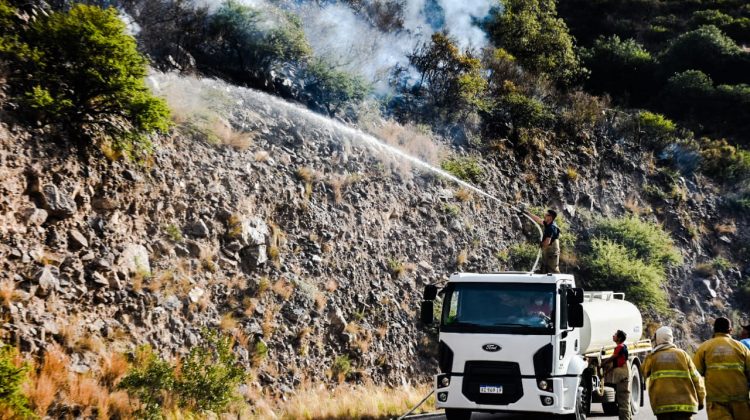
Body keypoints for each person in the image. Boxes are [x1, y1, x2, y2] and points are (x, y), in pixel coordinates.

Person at [642, 326, 706, 419]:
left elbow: (642, 373)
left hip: (662, 408)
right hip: (685, 407)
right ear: (671, 338)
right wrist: (701, 400)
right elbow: (697, 379)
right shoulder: (683, 354)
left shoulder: (652, 357)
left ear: (658, 339)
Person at [693, 317, 750, 420]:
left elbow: (695, 374)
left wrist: (698, 398)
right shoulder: (742, 348)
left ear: (714, 329)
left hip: (716, 403)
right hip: (740, 403)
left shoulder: (704, 348)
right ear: (730, 330)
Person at [602, 330, 631, 420]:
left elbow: (612, 358)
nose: (613, 336)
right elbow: (615, 363)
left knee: (622, 401)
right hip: (624, 375)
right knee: (624, 401)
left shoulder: (619, 347)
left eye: (615, 335)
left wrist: (603, 363)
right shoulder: (623, 347)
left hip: (622, 377)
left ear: (619, 338)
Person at [525, 208, 561, 273]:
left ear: (550, 217)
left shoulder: (551, 227)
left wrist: (541, 244)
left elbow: (547, 242)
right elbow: (538, 220)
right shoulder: (548, 224)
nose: (544, 215)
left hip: (552, 253)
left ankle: (557, 282)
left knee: (552, 270)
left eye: (546, 215)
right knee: (544, 269)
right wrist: (528, 213)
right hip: (548, 252)